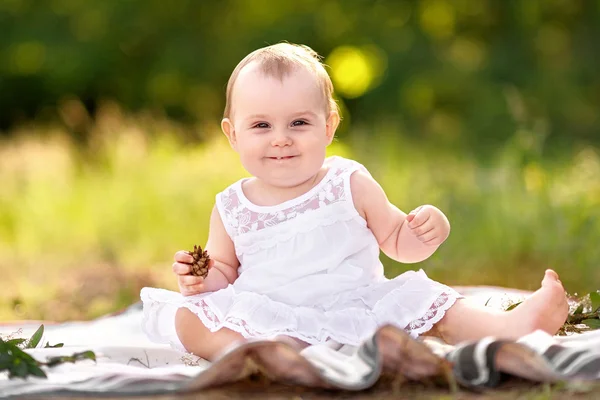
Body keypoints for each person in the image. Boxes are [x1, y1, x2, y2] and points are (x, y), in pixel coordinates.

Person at [140, 43, 569, 361]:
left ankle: (510, 327)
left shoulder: (347, 181)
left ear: (329, 127)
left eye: (299, 122)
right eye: (261, 125)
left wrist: (427, 228)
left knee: (432, 303)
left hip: (355, 304)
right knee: (189, 315)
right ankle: (257, 355)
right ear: (232, 134)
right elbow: (225, 274)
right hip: (274, 320)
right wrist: (200, 278)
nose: (281, 138)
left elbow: (398, 241)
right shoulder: (232, 205)